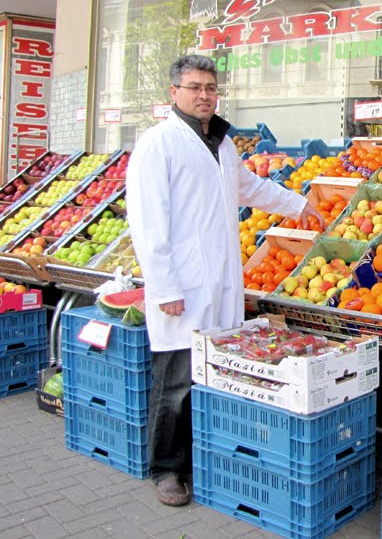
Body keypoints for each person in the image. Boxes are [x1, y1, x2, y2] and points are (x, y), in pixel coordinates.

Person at [126, 54, 322, 506]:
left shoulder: (223, 144)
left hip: (220, 279)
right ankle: (167, 470)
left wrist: (298, 205)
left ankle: (201, 461)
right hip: (184, 285)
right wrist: (166, 287)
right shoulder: (159, 144)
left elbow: (249, 189)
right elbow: (148, 223)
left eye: (210, 88)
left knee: (213, 375)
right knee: (175, 382)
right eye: (194, 87)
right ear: (174, 92)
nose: (204, 95)